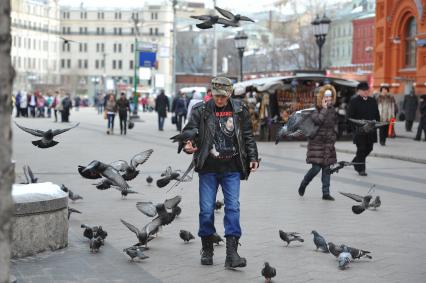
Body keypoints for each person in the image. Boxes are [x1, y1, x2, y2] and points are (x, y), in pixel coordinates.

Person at [180, 77, 259, 269]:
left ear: (230, 94)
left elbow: (247, 134)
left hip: (231, 168)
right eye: (216, 96)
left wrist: (253, 157)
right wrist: (188, 145)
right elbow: (189, 131)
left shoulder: (239, 109)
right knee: (206, 210)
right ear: (211, 93)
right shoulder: (201, 110)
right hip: (208, 168)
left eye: (223, 96)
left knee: (233, 208)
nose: (220, 100)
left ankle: (232, 254)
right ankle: (207, 249)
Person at [298, 85, 337, 201]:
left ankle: (326, 192)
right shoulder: (314, 109)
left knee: (327, 169)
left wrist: (334, 135)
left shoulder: (332, 110)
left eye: (330, 97)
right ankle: (304, 183)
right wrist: (324, 109)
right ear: (321, 97)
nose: (328, 99)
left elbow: (334, 124)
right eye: (326, 96)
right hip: (316, 142)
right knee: (316, 168)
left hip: (328, 143)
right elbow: (318, 120)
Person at [348, 82, 380, 176]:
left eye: (367, 90)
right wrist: (353, 128)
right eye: (363, 90)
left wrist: (377, 122)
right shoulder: (354, 101)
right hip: (359, 130)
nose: (366, 92)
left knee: (369, 148)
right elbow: (350, 116)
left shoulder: (372, 100)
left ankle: (356, 161)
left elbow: (377, 114)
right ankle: (361, 169)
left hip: (371, 130)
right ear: (358, 91)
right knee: (361, 149)